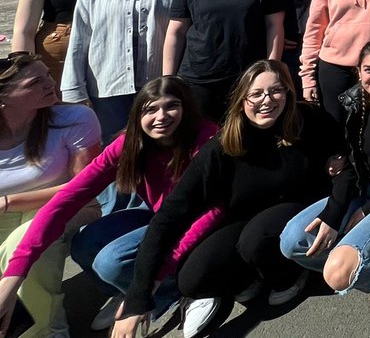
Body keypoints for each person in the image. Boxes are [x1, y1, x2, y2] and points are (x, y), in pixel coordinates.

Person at [112, 61, 348, 338]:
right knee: (192, 279)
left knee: (255, 239)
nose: (267, 101)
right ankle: (253, 274)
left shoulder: (309, 120)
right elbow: (168, 218)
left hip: (301, 210)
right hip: (248, 220)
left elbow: (346, 165)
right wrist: (138, 296)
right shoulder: (222, 148)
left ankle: (291, 276)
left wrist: (335, 210)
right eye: (256, 94)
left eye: (276, 91)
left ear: (287, 92)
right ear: (242, 100)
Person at [0, 77, 217, 334]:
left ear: (187, 108)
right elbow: (67, 198)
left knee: (111, 262)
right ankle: (129, 290)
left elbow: (212, 212)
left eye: (171, 106)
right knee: (85, 244)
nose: (161, 116)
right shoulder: (129, 144)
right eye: (150, 109)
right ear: (138, 114)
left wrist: (145, 287)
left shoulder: (208, 140)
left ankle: (176, 291)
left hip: (198, 221)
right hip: (159, 213)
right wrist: (12, 279)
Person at [280, 41, 370, 297]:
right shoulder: (352, 103)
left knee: (340, 268)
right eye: (369, 69)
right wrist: (333, 214)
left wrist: (365, 211)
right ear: (358, 71)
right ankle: (353, 264)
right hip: (361, 188)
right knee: (292, 241)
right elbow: (348, 166)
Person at [62, 0, 187, 139]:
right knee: (113, 153)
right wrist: (73, 90)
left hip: (162, 84)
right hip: (108, 86)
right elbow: (80, 38)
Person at [0, 53, 101, 337]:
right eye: (36, 81)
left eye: (47, 74)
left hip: (65, 206)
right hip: (5, 212)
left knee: (23, 244)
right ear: (3, 97)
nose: (51, 83)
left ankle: (48, 329)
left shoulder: (74, 118)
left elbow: (84, 189)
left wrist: (8, 202)